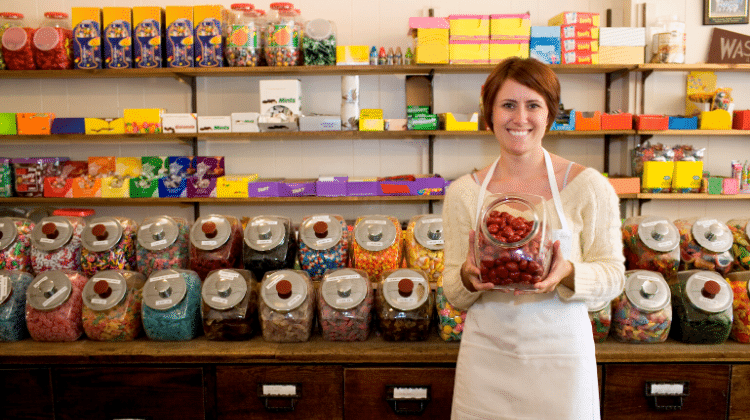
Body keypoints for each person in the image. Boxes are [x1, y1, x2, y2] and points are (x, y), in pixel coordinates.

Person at [442, 57, 626, 420]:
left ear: (550, 115)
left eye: (533, 105)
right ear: (490, 114)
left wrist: (568, 272)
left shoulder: (588, 186)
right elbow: (452, 288)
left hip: (561, 362)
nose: (520, 118)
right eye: (508, 104)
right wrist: (467, 276)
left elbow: (613, 276)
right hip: (487, 362)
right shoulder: (464, 193)